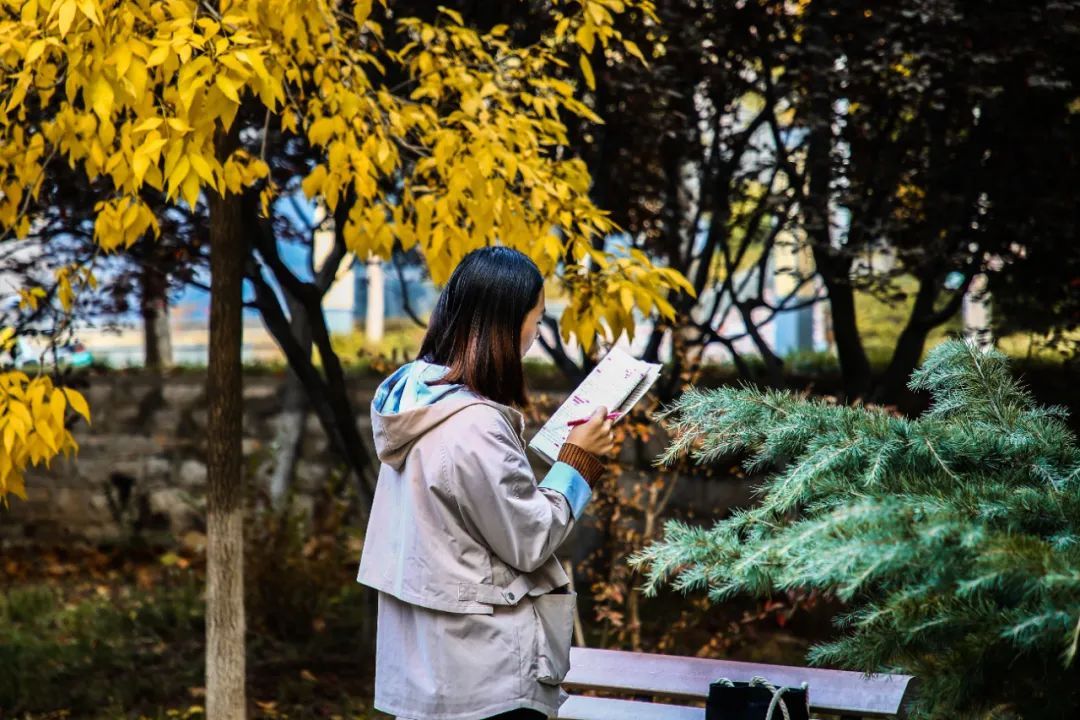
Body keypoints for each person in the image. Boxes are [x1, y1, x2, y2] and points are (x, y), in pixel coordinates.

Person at [357, 246, 615, 720]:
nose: (537, 334)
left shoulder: (417, 400)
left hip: (429, 671)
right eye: (535, 320)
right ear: (505, 323)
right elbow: (530, 537)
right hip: (485, 677)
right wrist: (578, 461)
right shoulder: (473, 424)